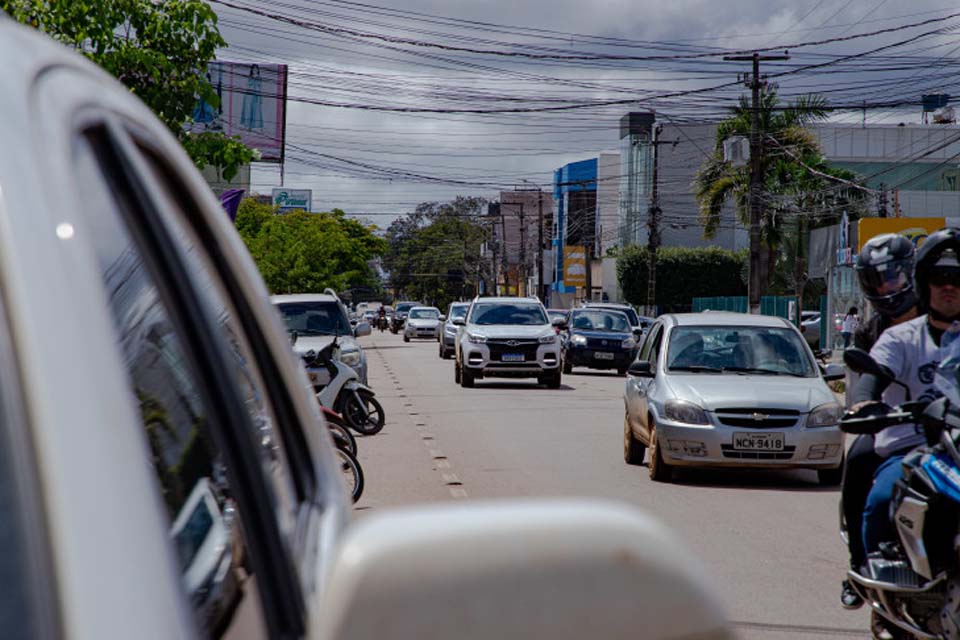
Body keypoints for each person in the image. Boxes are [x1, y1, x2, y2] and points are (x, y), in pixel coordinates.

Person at [849, 228, 960, 589]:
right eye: (941, 278)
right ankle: (866, 567)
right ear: (925, 283)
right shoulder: (894, 336)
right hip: (908, 444)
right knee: (880, 497)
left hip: (955, 447)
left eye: (958, 279)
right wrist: (864, 402)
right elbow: (874, 374)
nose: (950, 287)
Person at [839, 233, 920, 609]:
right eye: (876, 280)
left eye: (893, 276)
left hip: (947, 428)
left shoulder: (942, 319)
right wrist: (862, 408)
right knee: (857, 462)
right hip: (893, 426)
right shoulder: (873, 332)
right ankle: (859, 564)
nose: (886, 287)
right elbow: (864, 383)